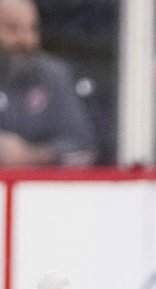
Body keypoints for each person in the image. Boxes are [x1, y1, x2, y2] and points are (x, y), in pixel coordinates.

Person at [0, 0, 95, 166]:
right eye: (12, 28)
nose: (26, 39)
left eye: (32, 29)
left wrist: (30, 155)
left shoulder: (53, 76)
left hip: (42, 189)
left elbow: (82, 148)